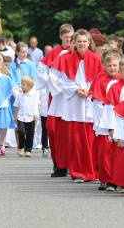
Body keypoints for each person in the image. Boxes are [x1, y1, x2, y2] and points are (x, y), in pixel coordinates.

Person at [51, 29, 103, 183]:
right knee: (76, 141)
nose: (82, 44)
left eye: (85, 41)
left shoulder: (96, 58)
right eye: (79, 41)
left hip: (89, 101)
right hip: (74, 103)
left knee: (90, 140)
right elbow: (64, 79)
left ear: (89, 43)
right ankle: (78, 172)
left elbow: (99, 79)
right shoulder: (67, 59)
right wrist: (76, 89)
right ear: (74, 43)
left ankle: (92, 171)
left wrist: (90, 91)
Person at [37, 24, 74, 176]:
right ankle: (58, 164)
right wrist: (55, 85)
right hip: (57, 97)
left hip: (74, 98)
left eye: (71, 37)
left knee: (70, 132)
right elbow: (42, 71)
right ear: (60, 37)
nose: (69, 40)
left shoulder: (77, 53)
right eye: (66, 38)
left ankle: (72, 164)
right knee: (55, 131)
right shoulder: (54, 53)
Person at [98, 57, 124, 192]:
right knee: (116, 155)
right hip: (119, 125)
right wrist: (111, 127)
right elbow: (109, 108)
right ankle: (113, 181)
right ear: (121, 71)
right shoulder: (115, 87)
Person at [89, 51, 121, 190]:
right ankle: (105, 178)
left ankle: (116, 179)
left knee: (117, 153)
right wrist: (105, 121)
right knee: (104, 153)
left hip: (119, 121)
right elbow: (97, 102)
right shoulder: (101, 80)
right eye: (110, 65)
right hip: (104, 121)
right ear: (104, 66)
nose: (112, 68)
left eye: (115, 65)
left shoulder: (123, 81)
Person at [14, 76, 39, 157]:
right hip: (21, 117)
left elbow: (36, 105)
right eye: (21, 84)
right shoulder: (19, 95)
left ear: (30, 86)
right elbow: (16, 106)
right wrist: (15, 116)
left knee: (30, 134)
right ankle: (21, 147)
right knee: (21, 131)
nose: (22, 86)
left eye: (23, 84)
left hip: (31, 117)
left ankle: (28, 150)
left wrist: (36, 114)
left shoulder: (34, 95)